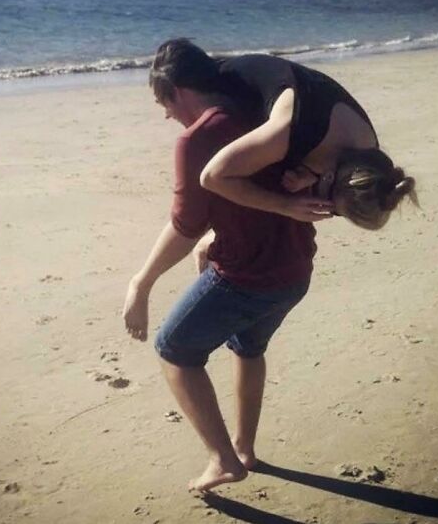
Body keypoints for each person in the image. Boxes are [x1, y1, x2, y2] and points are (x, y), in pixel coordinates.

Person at [123, 42, 321, 492]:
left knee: (174, 350)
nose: (166, 115)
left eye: (163, 103)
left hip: (247, 278)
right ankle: (244, 448)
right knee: (248, 347)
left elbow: (186, 225)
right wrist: (215, 236)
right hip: (295, 270)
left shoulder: (197, 139)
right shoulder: (258, 110)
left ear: (176, 91)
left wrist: (141, 283)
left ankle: (223, 460)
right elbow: (253, 196)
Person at [151, 39, 417, 229]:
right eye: (332, 207)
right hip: (235, 89)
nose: (327, 208)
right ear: (329, 176)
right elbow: (212, 177)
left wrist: (310, 174)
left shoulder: (369, 156)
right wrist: (285, 206)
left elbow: (332, 157)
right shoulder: (285, 133)